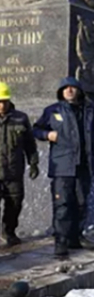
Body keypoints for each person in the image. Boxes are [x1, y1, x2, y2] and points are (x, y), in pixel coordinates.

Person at [33, 77, 94, 258]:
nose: (69, 90)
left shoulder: (90, 111)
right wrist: (48, 134)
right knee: (62, 205)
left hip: (84, 165)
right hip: (63, 166)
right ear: (61, 92)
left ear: (79, 90)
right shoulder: (53, 110)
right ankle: (61, 241)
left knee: (81, 203)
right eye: (65, 88)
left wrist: (92, 146)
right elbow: (36, 130)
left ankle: (76, 237)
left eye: (73, 88)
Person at [0, 82, 39, 247]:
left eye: (4, 101)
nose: (1, 105)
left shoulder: (20, 118)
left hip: (14, 171)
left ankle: (8, 232)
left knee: (14, 204)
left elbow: (30, 144)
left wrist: (34, 163)